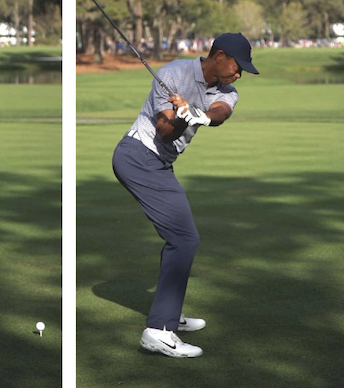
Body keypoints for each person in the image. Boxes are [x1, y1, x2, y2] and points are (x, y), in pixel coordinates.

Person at [111, 32, 259, 358]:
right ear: (219, 55)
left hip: (158, 164)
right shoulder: (172, 74)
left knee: (182, 238)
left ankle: (168, 311)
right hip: (139, 156)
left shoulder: (227, 92)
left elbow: (221, 112)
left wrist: (200, 115)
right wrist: (180, 115)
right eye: (238, 66)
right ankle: (159, 331)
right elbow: (165, 133)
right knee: (184, 239)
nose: (239, 74)